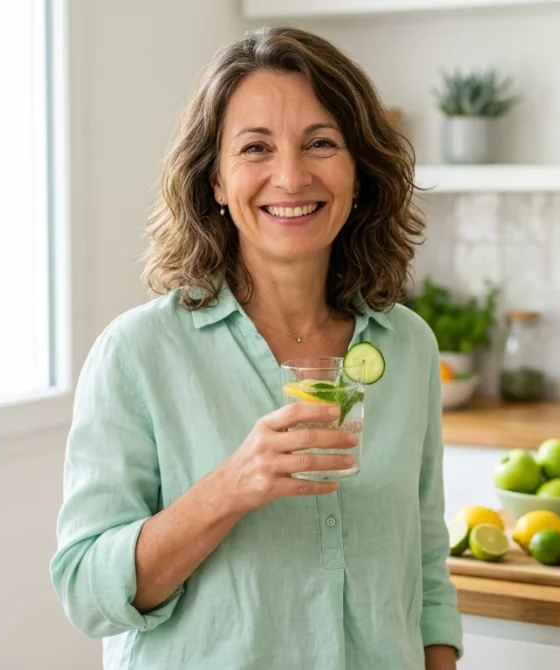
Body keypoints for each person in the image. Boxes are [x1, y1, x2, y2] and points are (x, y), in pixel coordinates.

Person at [50, 25, 462, 670]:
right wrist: (231, 487)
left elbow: (426, 566)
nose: (291, 176)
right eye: (255, 148)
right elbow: (87, 593)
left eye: (321, 143)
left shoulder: (406, 346)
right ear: (215, 179)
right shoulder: (137, 352)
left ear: (359, 170)